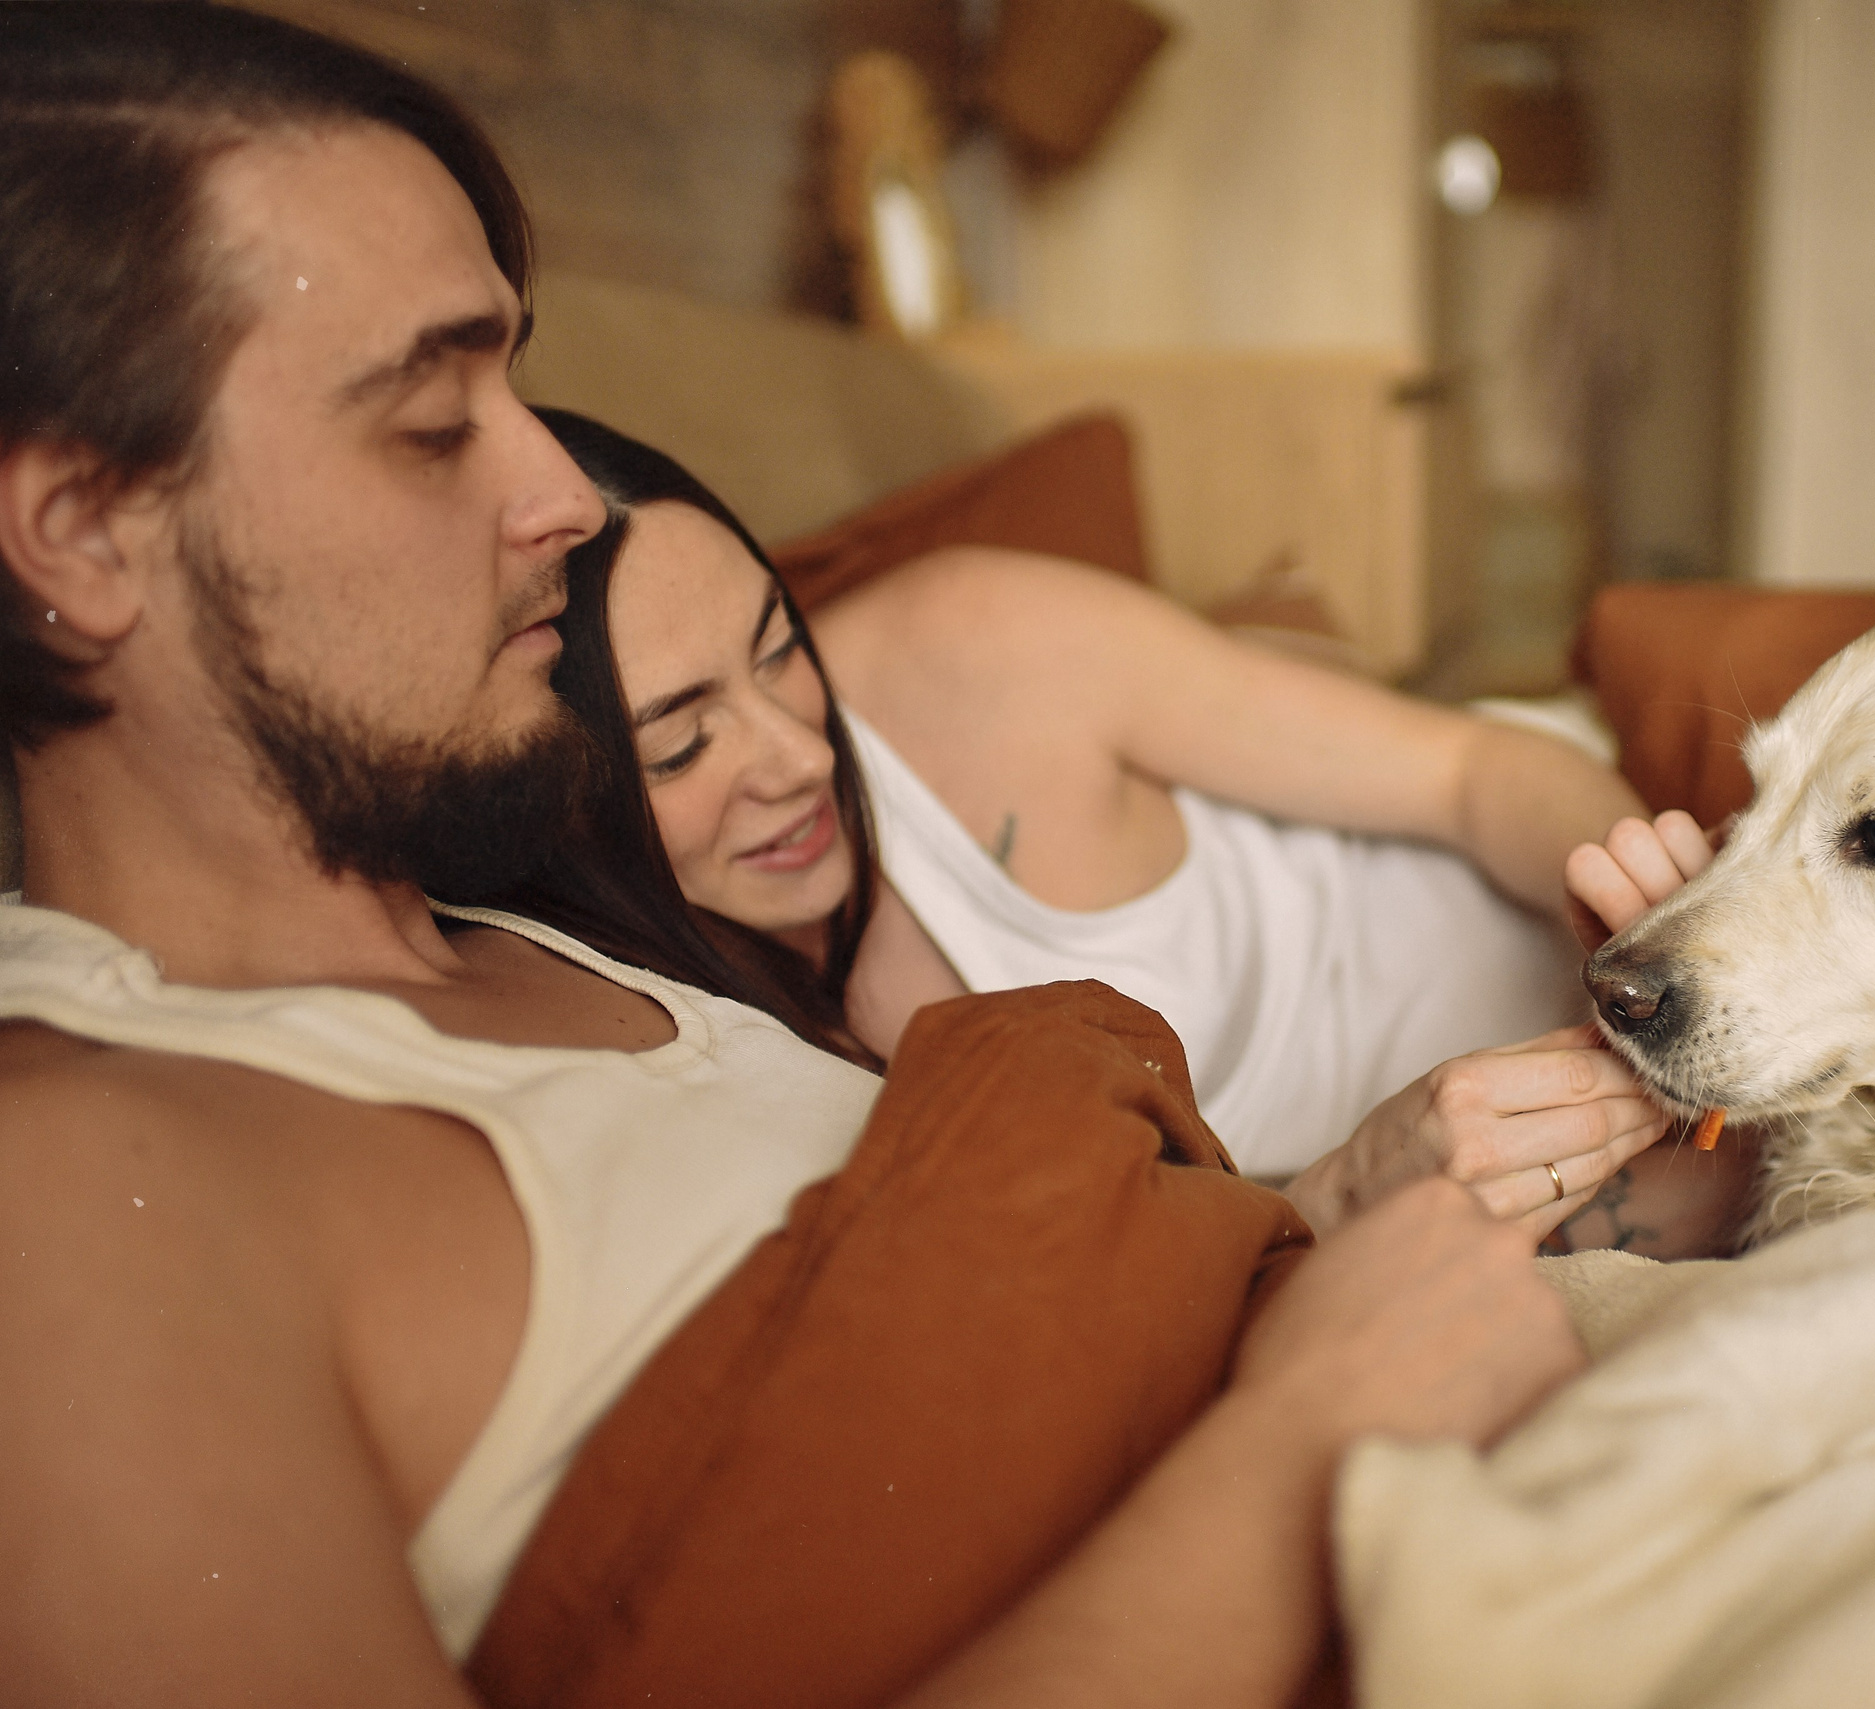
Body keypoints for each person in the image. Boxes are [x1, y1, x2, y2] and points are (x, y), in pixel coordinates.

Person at [0, 8, 1701, 1703]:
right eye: (435, 420)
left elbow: (1027, 1274)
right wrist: (1306, 1439)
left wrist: (1339, 1194)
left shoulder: (537, 917)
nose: (567, 496)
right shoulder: (77, 1202)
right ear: (80, 532)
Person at [502, 407, 1715, 1239]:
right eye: (680, 743)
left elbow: (1468, 772)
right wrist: (1348, 1187)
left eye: (780, 651)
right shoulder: (679, 1062)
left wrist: (1660, 921)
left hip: (1541, 917)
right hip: (1460, 1175)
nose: (799, 755)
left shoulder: (968, 644)